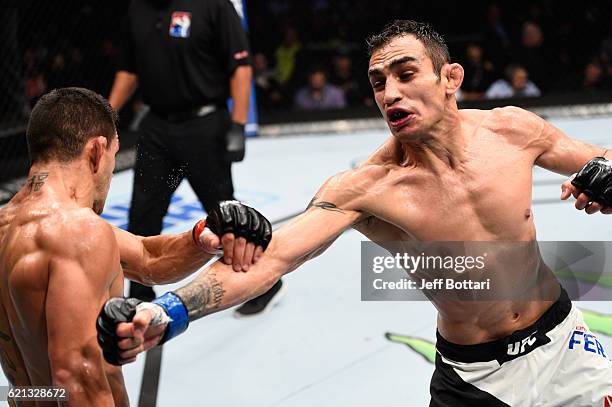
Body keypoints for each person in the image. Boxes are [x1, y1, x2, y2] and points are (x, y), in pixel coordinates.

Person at [99, 20, 612, 405]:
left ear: (450, 77)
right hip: (475, 379)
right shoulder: (366, 188)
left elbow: (598, 160)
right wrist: (168, 312)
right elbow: (272, 258)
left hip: (566, 340)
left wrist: (606, 181)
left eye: (406, 74)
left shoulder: (512, 130)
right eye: (378, 82)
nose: (390, 93)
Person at [0, 87, 272, 405]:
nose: (109, 175)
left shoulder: (13, 225)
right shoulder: (79, 232)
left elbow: (147, 259)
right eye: (113, 160)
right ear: (97, 152)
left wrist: (203, 236)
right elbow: (76, 378)